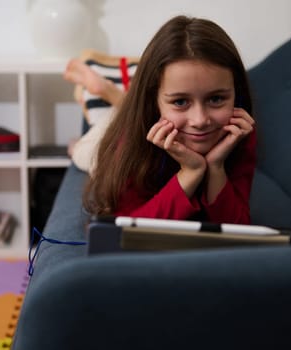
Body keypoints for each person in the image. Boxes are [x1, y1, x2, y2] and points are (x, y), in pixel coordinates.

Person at [84, 15, 257, 224]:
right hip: (108, 136)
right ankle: (106, 93)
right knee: (83, 150)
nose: (200, 120)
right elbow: (122, 232)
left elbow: (237, 227)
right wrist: (190, 172)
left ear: (236, 94)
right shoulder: (129, 141)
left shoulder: (237, 132)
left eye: (216, 99)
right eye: (181, 102)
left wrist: (215, 168)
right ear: (153, 100)